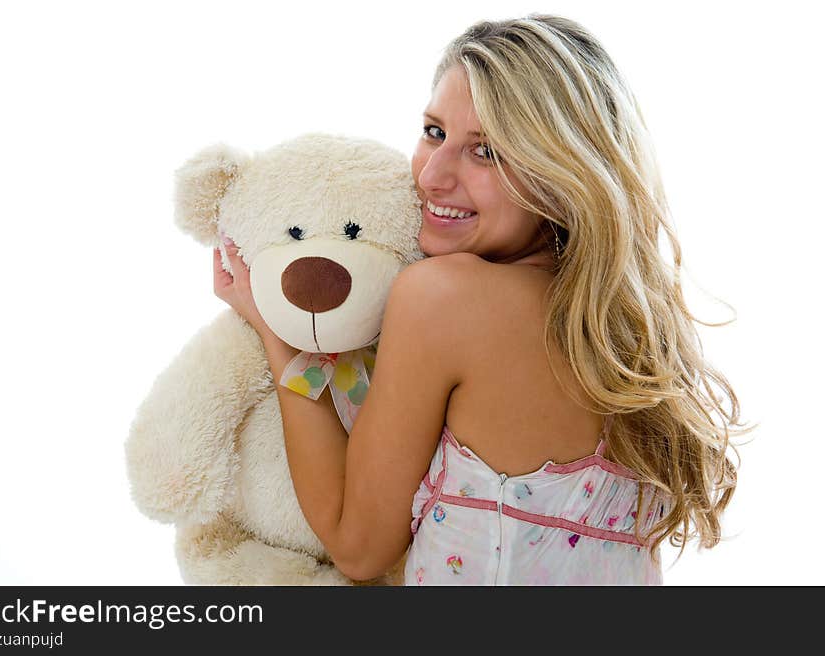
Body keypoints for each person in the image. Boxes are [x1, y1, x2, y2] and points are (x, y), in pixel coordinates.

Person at [213, 14, 744, 585]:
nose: (433, 175)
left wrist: (279, 336)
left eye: (486, 151)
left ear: (561, 174)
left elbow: (358, 546)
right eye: (434, 132)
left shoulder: (446, 298)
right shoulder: (631, 333)